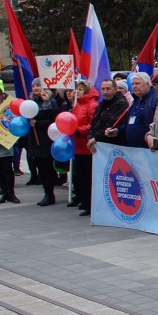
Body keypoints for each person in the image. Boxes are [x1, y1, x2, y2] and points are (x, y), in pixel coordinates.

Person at [25, 80, 61, 206]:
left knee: (47, 168)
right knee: (40, 166)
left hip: (46, 139)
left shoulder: (50, 101)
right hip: (35, 141)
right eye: (33, 86)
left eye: (38, 85)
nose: (35, 88)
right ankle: (46, 192)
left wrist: (37, 123)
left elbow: (53, 119)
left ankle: (50, 194)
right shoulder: (30, 102)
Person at [69, 78, 99, 215]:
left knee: (89, 177)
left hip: (86, 146)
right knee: (80, 176)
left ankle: (91, 204)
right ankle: (85, 201)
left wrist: (79, 130)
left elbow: (93, 124)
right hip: (77, 145)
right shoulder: (77, 104)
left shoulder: (92, 105)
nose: (78, 91)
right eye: (77, 89)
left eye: (81, 89)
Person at [119, 72, 158, 150]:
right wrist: (117, 131)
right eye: (132, 84)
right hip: (133, 148)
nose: (134, 86)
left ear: (147, 84)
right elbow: (129, 122)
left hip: (147, 147)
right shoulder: (136, 100)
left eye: (137, 83)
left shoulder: (156, 99)